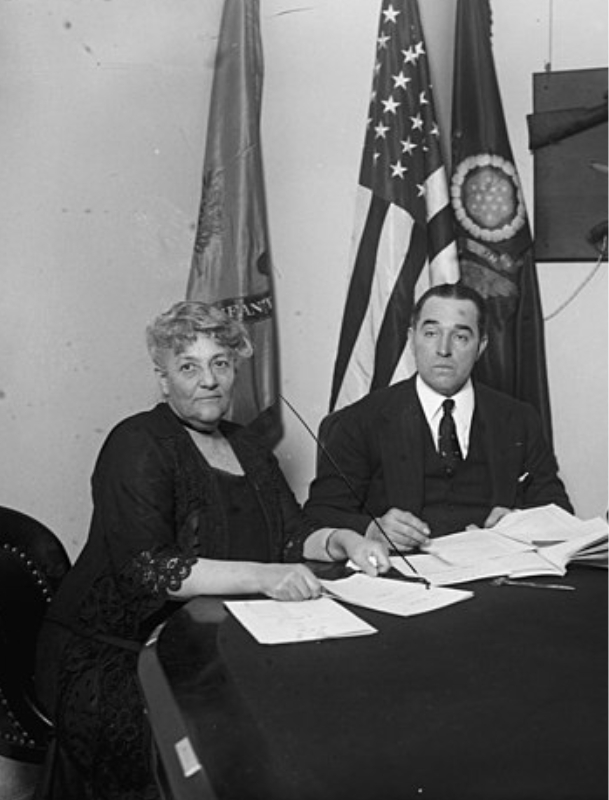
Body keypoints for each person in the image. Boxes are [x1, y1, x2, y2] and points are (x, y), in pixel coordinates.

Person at [34, 301, 389, 800]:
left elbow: (291, 533)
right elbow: (150, 570)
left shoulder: (248, 446)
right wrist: (265, 577)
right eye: (189, 367)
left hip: (205, 642)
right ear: (163, 379)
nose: (208, 380)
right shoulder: (137, 442)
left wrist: (342, 539)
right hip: (116, 655)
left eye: (220, 363)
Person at [305, 282, 573, 552]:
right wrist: (371, 529)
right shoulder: (359, 420)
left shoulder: (518, 419)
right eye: (431, 333)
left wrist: (520, 523)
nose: (443, 349)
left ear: (481, 346)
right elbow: (319, 514)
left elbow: (558, 510)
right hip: (404, 579)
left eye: (460, 337)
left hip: (498, 575)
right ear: (412, 339)